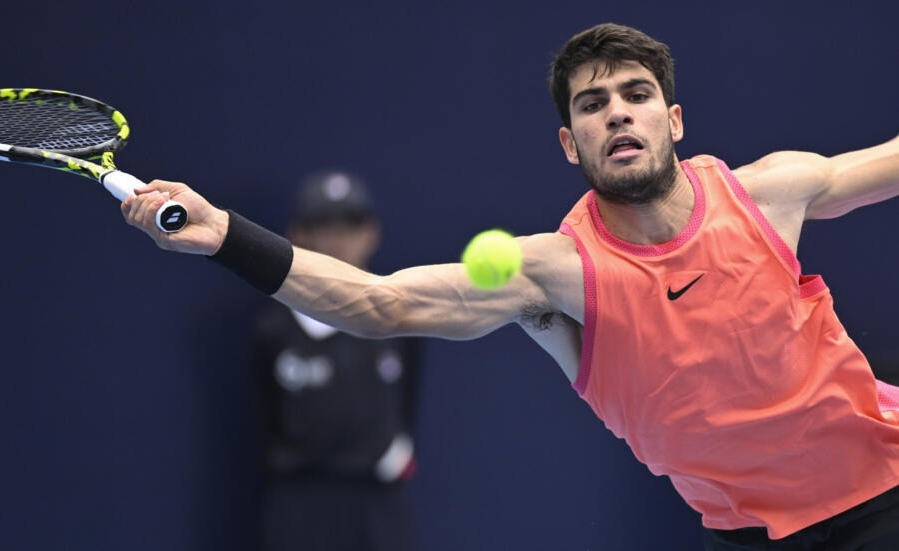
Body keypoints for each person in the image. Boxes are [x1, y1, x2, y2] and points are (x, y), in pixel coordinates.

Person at [121, 23, 899, 550]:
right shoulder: (553, 271)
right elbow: (379, 302)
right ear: (571, 142)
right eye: (592, 106)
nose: (618, 114)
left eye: (636, 95)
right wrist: (225, 234)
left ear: (675, 118)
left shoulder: (769, 192)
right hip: (747, 535)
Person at [249, 170, 420, 551]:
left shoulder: (398, 323)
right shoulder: (272, 331)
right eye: (326, 227)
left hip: (377, 504)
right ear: (300, 234)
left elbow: (408, 401)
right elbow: (261, 417)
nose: (339, 241)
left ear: (372, 233)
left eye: (350, 226)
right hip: (298, 504)